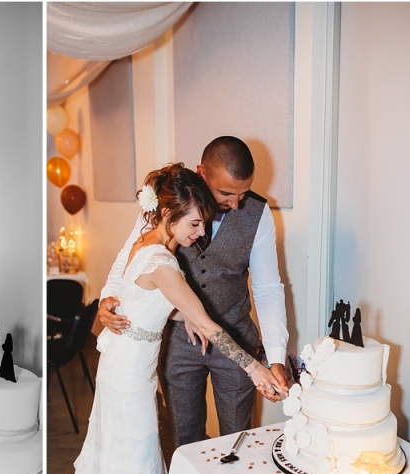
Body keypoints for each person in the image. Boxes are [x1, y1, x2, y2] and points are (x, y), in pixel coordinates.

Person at [48, 162, 280, 474]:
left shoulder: (145, 243)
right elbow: (209, 323)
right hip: (129, 381)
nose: (200, 234)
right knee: (137, 467)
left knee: (118, 461)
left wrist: (180, 315)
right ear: (170, 216)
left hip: (122, 370)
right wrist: (255, 368)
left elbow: (147, 303)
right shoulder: (165, 265)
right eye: (194, 224)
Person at [100, 136, 289, 449]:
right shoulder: (168, 203)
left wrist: (276, 356)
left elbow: (268, 289)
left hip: (236, 336)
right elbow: (130, 254)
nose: (236, 203)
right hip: (176, 343)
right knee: (183, 440)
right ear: (202, 173)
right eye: (226, 193)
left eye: (243, 194)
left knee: (236, 443)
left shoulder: (258, 213)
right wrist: (109, 295)